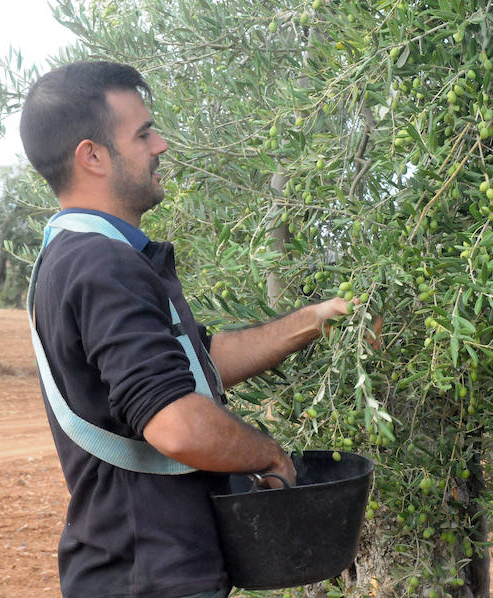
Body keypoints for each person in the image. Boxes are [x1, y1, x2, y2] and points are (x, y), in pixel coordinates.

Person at [20, 61, 357, 598]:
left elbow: (196, 365)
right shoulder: (101, 265)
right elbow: (175, 424)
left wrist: (313, 321)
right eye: (144, 133)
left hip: (136, 568)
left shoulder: (75, 258)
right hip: (150, 573)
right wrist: (269, 456)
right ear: (93, 156)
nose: (161, 145)